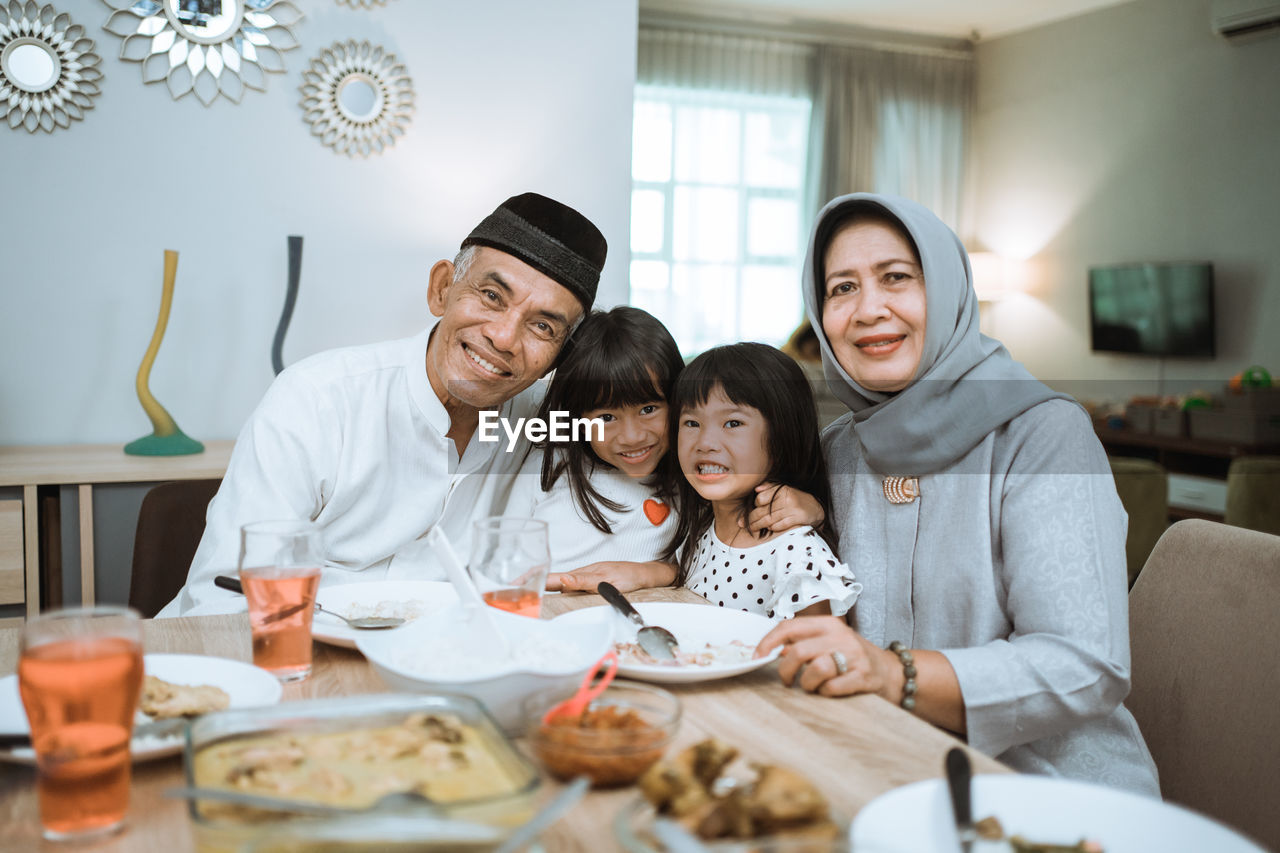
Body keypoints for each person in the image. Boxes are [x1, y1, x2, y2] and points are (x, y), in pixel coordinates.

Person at [755, 193, 1160, 795]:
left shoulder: (1042, 433)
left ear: (945, 290)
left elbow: (1085, 665)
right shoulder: (839, 447)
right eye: (841, 288)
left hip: (1044, 788)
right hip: (882, 765)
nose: (868, 309)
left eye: (896, 278)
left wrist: (893, 673)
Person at [158, 192, 606, 616]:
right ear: (442, 288)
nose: (503, 337)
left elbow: (646, 458)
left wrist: (650, 569)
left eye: (542, 327)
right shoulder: (316, 400)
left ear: (560, 357)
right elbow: (222, 598)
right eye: (491, 297)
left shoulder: (548, 424)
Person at [512, 307, 828, 594]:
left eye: (649, 408)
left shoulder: (697, 480)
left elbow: (716, 557)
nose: (632, 436)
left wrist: (815, 511)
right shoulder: (550, 465)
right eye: (607, 417)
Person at [664, 342, 861, 619]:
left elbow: (823, 653)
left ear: (782, 435)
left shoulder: (797, 552)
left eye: (732, 423)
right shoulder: (700, 527)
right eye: (691, 423)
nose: (705, 443)